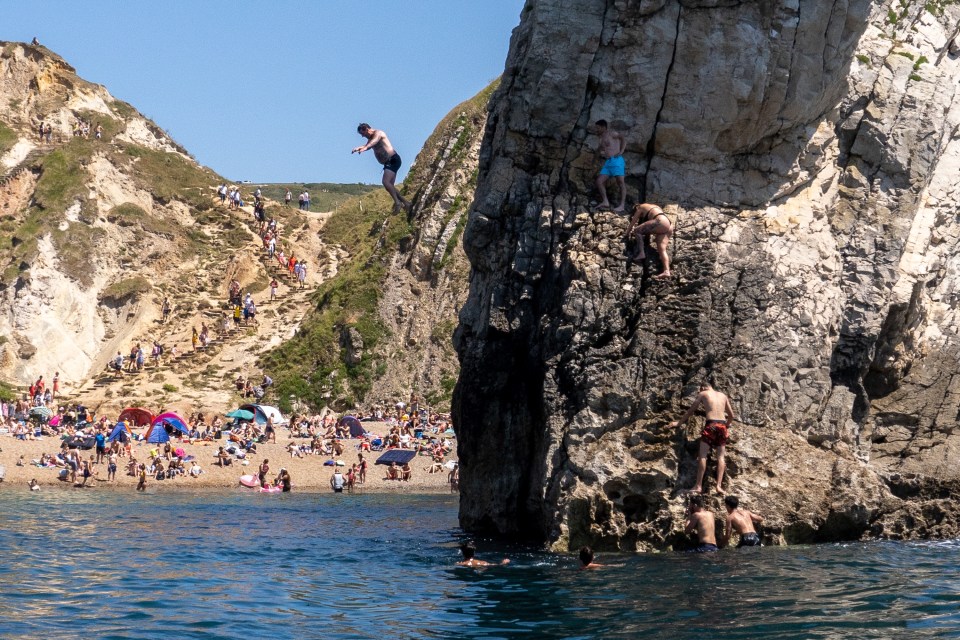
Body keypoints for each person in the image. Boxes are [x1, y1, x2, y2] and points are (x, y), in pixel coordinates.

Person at [668, 382, 736, 494]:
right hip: (722, 426)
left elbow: (691, 411)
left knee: (703, 455)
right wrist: (726, 425)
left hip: (711, 424)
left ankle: (698, 485)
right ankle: (719, 486)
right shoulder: (723, 395)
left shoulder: (703, 393)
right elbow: (732, 415)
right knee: (721, 457)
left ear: (703, 387)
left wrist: (679, 423)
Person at [352, 123, 411, 213]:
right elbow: (368, 145)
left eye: (363, 134)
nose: (363, 136)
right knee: (389, 186)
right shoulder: (370, 138)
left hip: (393, 160)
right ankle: (406, 203)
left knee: (385, 182)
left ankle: (398, 203)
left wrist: (365, 148)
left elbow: (373, 142)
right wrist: (360, 148)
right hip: (388, 162)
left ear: (367, 129)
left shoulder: (378, 133)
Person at [627, 203, 673, 279]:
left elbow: (633, 221)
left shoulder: (640, 207)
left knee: (637, 230)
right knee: (662, 249)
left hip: (660, 221)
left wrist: (627, 233)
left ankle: (641, 253)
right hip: (669, 224)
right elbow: (648, 228)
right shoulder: (655, 207)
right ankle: (666, 271)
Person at [594, 119, 627, 212]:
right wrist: (594, 160)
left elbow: (623, 138)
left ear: (604, 127)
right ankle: (605, 201)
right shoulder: (601, 138)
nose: (596, 130)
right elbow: (599, 149)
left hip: (617, 161)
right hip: (608, 162)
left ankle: (622, 205)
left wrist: (621, 151)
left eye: (598, 128)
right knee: (599, 181)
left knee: (620, 182)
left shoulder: (612, 134)